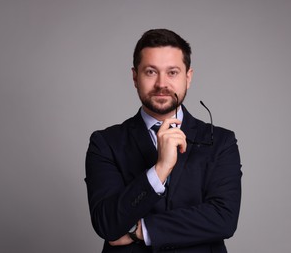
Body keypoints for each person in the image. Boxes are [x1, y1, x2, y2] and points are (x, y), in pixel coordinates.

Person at [85, 28, 242, 252]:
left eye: (172, 72)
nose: (161, 84)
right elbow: (107, 223)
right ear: (134, 77)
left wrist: (140, 230)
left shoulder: (221, 142)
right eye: (150, 72)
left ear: (188, 77)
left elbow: (223, 218)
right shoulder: (105, 143)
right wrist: (160, 168)